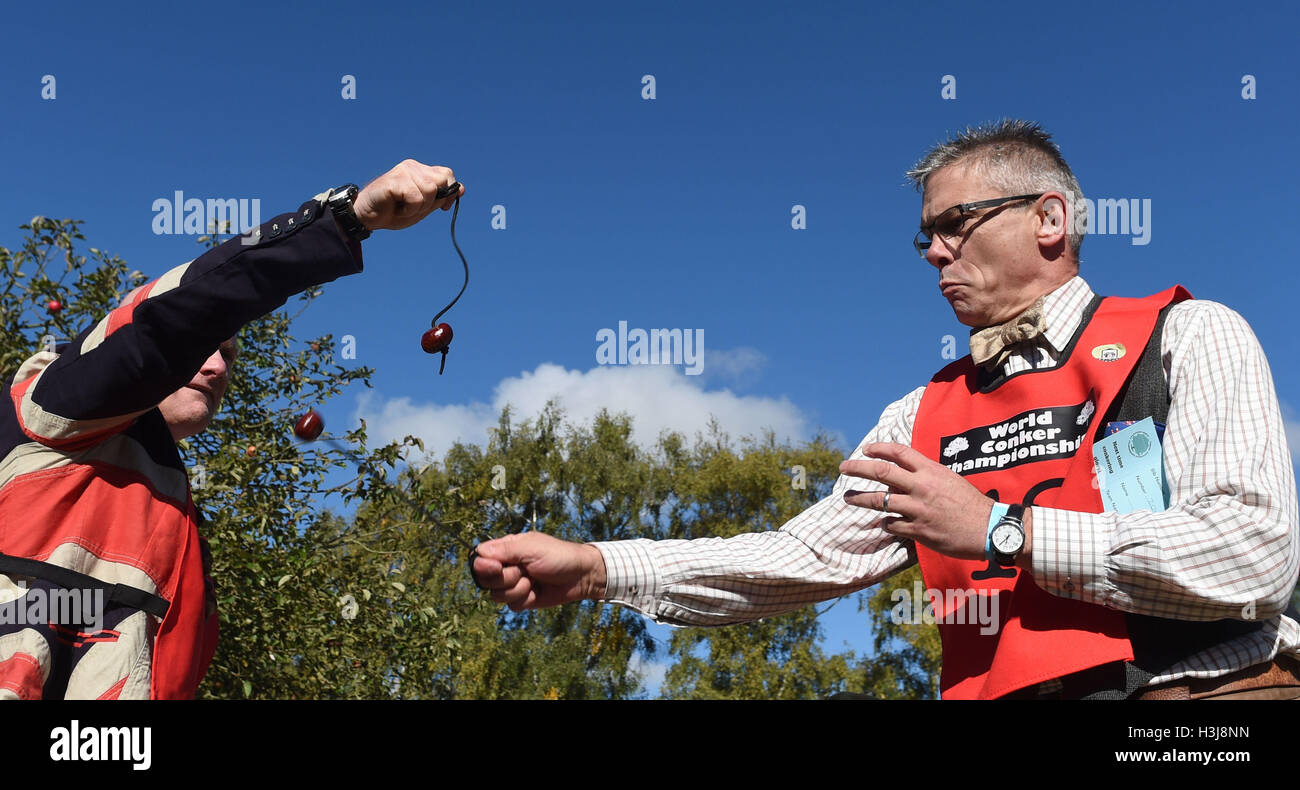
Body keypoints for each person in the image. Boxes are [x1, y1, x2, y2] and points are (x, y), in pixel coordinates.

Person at [472, 120, 1300, 700]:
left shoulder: (1186, 334)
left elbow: (1255, 555)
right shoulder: (919, 417)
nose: (935, 251)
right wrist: (597, 567)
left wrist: (999, 530)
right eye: (925, 237)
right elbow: (800, 560)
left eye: (957, 224)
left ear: (1050, 219)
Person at [0, 160, 463, 699]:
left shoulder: (175, 515)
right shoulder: (54, 405)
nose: (218, 367)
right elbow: (172, 319)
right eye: (206, 347)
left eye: (228, 357)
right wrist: (347, 220)